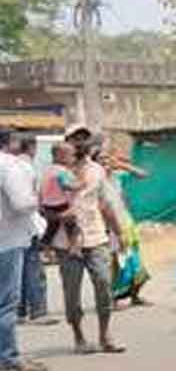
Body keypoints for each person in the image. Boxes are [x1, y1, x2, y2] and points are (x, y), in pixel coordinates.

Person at [53, 134, 126, 355]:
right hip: (66, 241)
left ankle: (105, 335)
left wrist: (119, 232)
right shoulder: (55, 174)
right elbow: (44, 205)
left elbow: (105, 204)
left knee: (104, 282)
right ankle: (79, 336)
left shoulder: (96, 171)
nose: (67, 157)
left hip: (96, 236)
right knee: (72, 291)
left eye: (72, 153)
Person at [0, 128, 47, 371]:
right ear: (10, 143)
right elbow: (21, 203)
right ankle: (8, 358)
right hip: (7, 240)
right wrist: (37, 199)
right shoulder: (10, 166)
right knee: (7, 302)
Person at [101, 150, 151, 309]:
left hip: (126, 223)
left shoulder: (116, 178)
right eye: (101, 161)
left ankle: (135, 296)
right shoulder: (97, 181)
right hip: (110, 226)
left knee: (134, 261)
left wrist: (123, 166)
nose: (106, 164)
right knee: (116, 263)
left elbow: (143, 174)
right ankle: (112, 299)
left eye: (107, 160)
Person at [14, 136, 54, 326]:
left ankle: (20, 310)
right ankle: (38, 309)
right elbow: (37, 198)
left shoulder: (10, 165)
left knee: (18, 269)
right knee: (33, 268)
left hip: (12, 230)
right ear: (32, 147)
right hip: (29, 224)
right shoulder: (27, 167)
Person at [39, 142, 84, 255]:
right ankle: (74, 247)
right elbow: (66, 185)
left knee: (51, 228)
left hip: (47, 205)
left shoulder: (47, 170)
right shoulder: (61, 171)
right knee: (72, 225)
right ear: (60, 156)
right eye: (71, 155)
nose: (73, 158)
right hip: (60, 204)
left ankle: (45, 247)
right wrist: (80, 185)